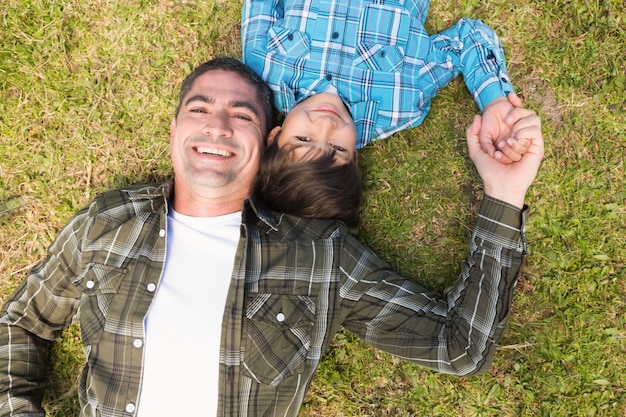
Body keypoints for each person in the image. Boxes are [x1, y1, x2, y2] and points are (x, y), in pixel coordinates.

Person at [0, 56, 544, 417]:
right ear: (175, 131)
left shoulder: (318, 256)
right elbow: (23, 323)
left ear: (267, 145)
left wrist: (503, 194)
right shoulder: (108, 221)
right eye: (199, 109)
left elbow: (460, 346)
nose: (217, 125)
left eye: (241, 116)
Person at [241, 0, 529, 163]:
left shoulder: (261, 69)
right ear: (354, 158)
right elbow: (467, 38)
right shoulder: (399, 104)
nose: (326, 126)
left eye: (303, 139)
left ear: (274, 136)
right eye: (338, 148)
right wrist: (494, 100)